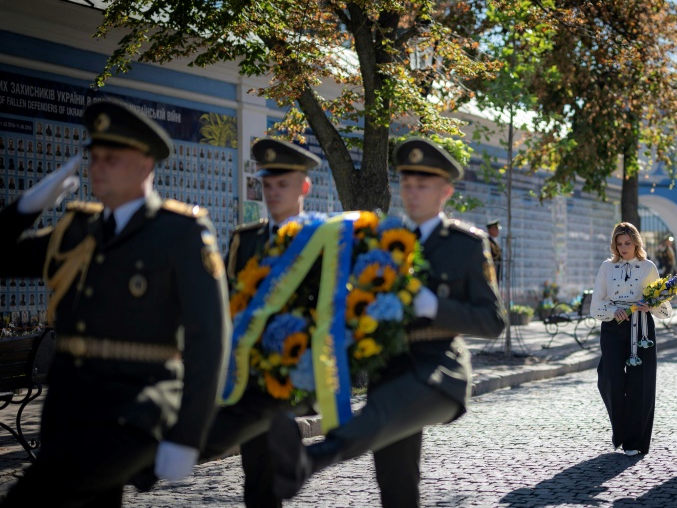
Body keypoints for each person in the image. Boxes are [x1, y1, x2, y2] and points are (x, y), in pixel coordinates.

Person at [0, 100, 230, 507]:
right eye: (94, 158)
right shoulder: (76, 231)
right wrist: (25, 207)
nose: (98, 167)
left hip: (135, 413)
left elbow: (208, 340)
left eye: (112, 158)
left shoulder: (180, 233)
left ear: (145, 165)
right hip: (69, 411)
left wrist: (187, 436)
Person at [267, 137, 506, 507]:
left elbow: (492, 321)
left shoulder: (466, 244)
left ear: (446, 191)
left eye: (422, 185)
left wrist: (432, 306)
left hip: (439, 370)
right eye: (406, 184)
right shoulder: (381, 241)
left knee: (386, 408)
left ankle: (310, 459)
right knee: (395, 486)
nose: (412, 193)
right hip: (389, 364)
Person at [201, 138, 320, 508]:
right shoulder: (245, 239)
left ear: (304, 187)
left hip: (301, 370)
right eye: (267, 185)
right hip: (251, 371)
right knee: (257, 478)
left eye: (282, 185)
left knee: (264, 430)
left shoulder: (323, 239)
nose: (272, 193)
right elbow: (230, 302)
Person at [590, 222, 672, 457]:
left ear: (637, 243)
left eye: (627, 243)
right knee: (610, 380)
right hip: (613, 327)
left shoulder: (648, 267)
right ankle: (621, 432)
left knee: (641, 384)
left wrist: (652, 305)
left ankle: (635, 441)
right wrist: (611, 310)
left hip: (642, 327)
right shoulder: (607, 267)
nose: (623, 248)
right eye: (619, 243)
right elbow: (596, 306)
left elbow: (664, 307)